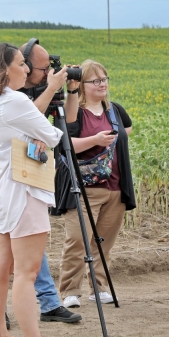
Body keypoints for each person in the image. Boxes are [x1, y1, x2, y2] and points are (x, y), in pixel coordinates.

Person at [0, 39, 82, 326]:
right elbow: (38, 124)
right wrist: (50, 92)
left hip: (20, 180)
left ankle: (49, 304)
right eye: (36, 67)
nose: (36, 73)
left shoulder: (28, 90)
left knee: (27, 247)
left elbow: (67, 123)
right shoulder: (4, 95)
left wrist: (70, 91)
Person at [55, 60, 136, 308]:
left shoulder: (115, 110)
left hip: (115, 188)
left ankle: (99, 287)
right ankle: (70, 291)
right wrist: (96, 140)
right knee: (78, 241)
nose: (102, 84)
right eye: (95, 81)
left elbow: (128, 129)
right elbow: (64, 143)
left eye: (104, 79)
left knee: (103, 243)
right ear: (82, 86)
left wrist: (111, 143)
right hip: (83, 188)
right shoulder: (76, 112)